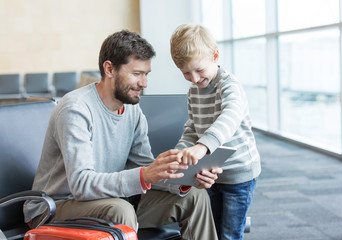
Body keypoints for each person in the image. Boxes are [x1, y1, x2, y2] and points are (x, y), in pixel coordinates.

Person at [23, 30, 222, 240]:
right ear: (109, 69)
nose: (144, 83)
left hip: (111, 201)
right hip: (56, 207)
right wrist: (145, 174)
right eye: (137, 74)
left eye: (146, 74)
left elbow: (142, 165)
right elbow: (81, 184)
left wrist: (186, 179)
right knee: (120, 210)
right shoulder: (76, 109)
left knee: (194, 196)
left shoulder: (132, 110)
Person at [170, 24, 261, 240]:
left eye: (199, 70)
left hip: (239, 174)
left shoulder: (230, 86)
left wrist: (203, 145)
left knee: (229, 234)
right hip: (210, 174)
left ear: (215, 56)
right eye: (185, 73)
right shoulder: (194, 91)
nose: (194, 78)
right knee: (213, 232)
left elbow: (230, 116)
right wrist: (181, 151)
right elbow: (192, 127)